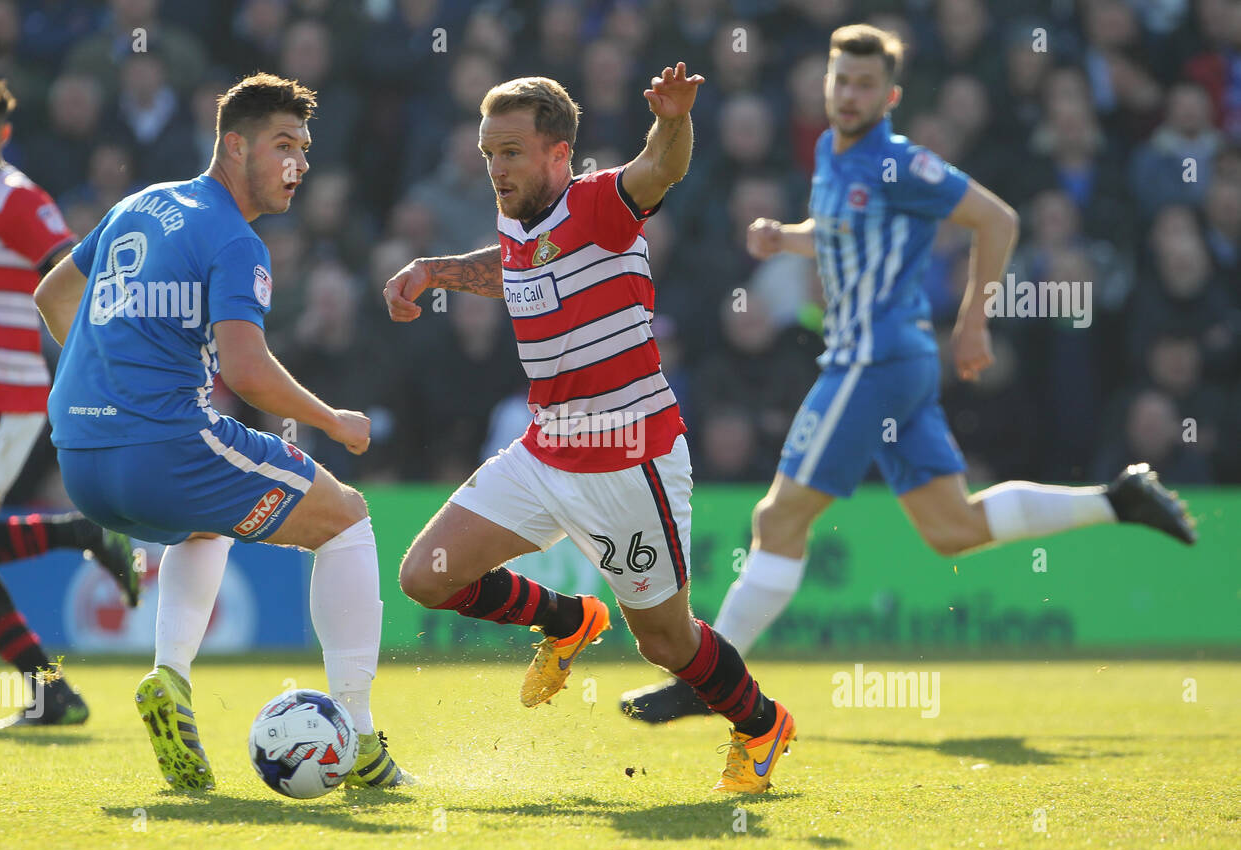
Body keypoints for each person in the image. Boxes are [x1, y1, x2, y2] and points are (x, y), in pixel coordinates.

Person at [620, 25, 1197, 723]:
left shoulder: (901, 162)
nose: (851, 94)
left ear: (890, 95)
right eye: (842, 81)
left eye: (866, 85)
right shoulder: (833, 153)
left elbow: (999, 221)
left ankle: (707, 683)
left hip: (873, 361)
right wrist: (788, 238)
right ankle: (1117, 500)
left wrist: (975, 319)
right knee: (953, 527)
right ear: (828, 86)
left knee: (777, 519)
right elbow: (842, 230)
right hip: (894, 368)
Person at [384, 65, 795, 793]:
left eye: (510, 151)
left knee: (665, 641)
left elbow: (663, 167)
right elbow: (514, 264)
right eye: (487, 152)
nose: (495, 168)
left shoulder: (601, 202)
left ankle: (761, 724)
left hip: (630, 461)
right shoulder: (519, 219)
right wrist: (435, 270)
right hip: (547, 452)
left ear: (558, 152)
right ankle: (567, 619)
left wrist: (673, 118)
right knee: (426, 576)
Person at [33, 73, 408, 791]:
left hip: (81, 457)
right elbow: (247, 369)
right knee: (348, 521)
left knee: (208, 523)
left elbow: (51, 297)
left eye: (303, 149)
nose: (298, 164)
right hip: (162, 448)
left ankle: (170, 677)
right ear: (233, 146)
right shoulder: (235, 241)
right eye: (282, 146)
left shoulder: (136, 205)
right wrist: (334, 421)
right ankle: (360, 741)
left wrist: (105, 374)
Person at [0, 71, 139, 729]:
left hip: (4, 396)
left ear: (2, 134)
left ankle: (83, 531)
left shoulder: (18, 199)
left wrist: (104, 366)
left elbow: (75, 277)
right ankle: (50, 690)